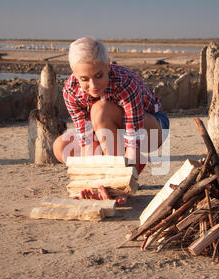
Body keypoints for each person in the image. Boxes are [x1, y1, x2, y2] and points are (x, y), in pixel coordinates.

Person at [53, 36, 169, 200]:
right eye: (84, 79)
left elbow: (133, 137)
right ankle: (105, 183)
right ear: (75, 75)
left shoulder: (126, 83)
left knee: (100, 109)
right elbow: (86, 138)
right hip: (109, 135)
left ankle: (118, 181)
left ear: (108, 66)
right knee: (60, 146)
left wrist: (121, 183)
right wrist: (89, 180)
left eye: (99, 75)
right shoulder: (70, 91)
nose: (93, 85)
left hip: (151, 128)